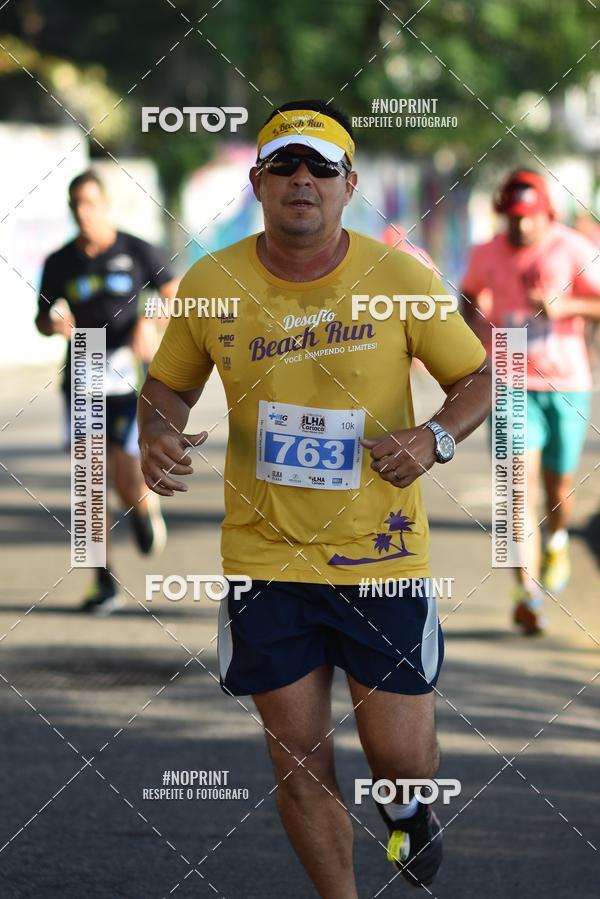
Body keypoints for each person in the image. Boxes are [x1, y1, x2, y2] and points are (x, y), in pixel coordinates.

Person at [138, 100, 491, 896]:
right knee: (295, 755)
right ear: (259, 182)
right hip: (266, 557)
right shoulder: (214, 281)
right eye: (287, 166)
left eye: (321, 168)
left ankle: (407, 810)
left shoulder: (398, 277)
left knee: (400, 760)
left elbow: (478, 378)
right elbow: (165, 389)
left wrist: (433, 437)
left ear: (348, 184)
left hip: (382, 555)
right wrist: (155, 434)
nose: (304, 180)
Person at [461, 169, 600, 635]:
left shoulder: (574, 249)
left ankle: (558, 537)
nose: (520, 227)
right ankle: (526, 593)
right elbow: (468, 294)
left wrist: (566, 308)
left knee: (558, 490)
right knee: (515, 491)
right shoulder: (486, 252)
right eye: (512, 218)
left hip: (567, 382)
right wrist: (471, 341)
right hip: (510, 375)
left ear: (547, 215)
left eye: (529, 218)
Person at [35, 170, 178, 615]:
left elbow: (177, 297)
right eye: (76, 204)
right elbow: (40, 319)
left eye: (90, 203)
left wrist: (148, 321)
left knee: (124, 475)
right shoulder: (60, 261)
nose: (83, 212)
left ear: (106, 205)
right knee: (88, 481)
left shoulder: (136, 249)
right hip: (84, 365)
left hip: (130, 373)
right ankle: (103, 581)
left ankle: (141, 511)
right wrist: (54, 324)